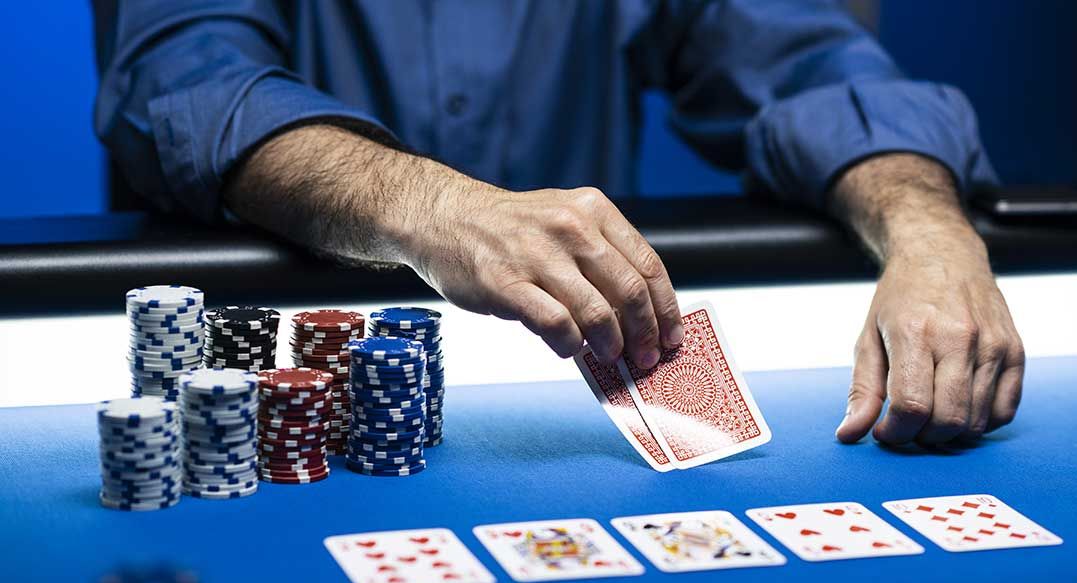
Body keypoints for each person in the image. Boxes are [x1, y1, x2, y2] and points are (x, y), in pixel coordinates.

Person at [92, 1, 1024, 447]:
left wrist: (929, 229)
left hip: (570, 363)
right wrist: (427, 208)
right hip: (253, 382)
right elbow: (180, 84)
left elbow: (812, 63)